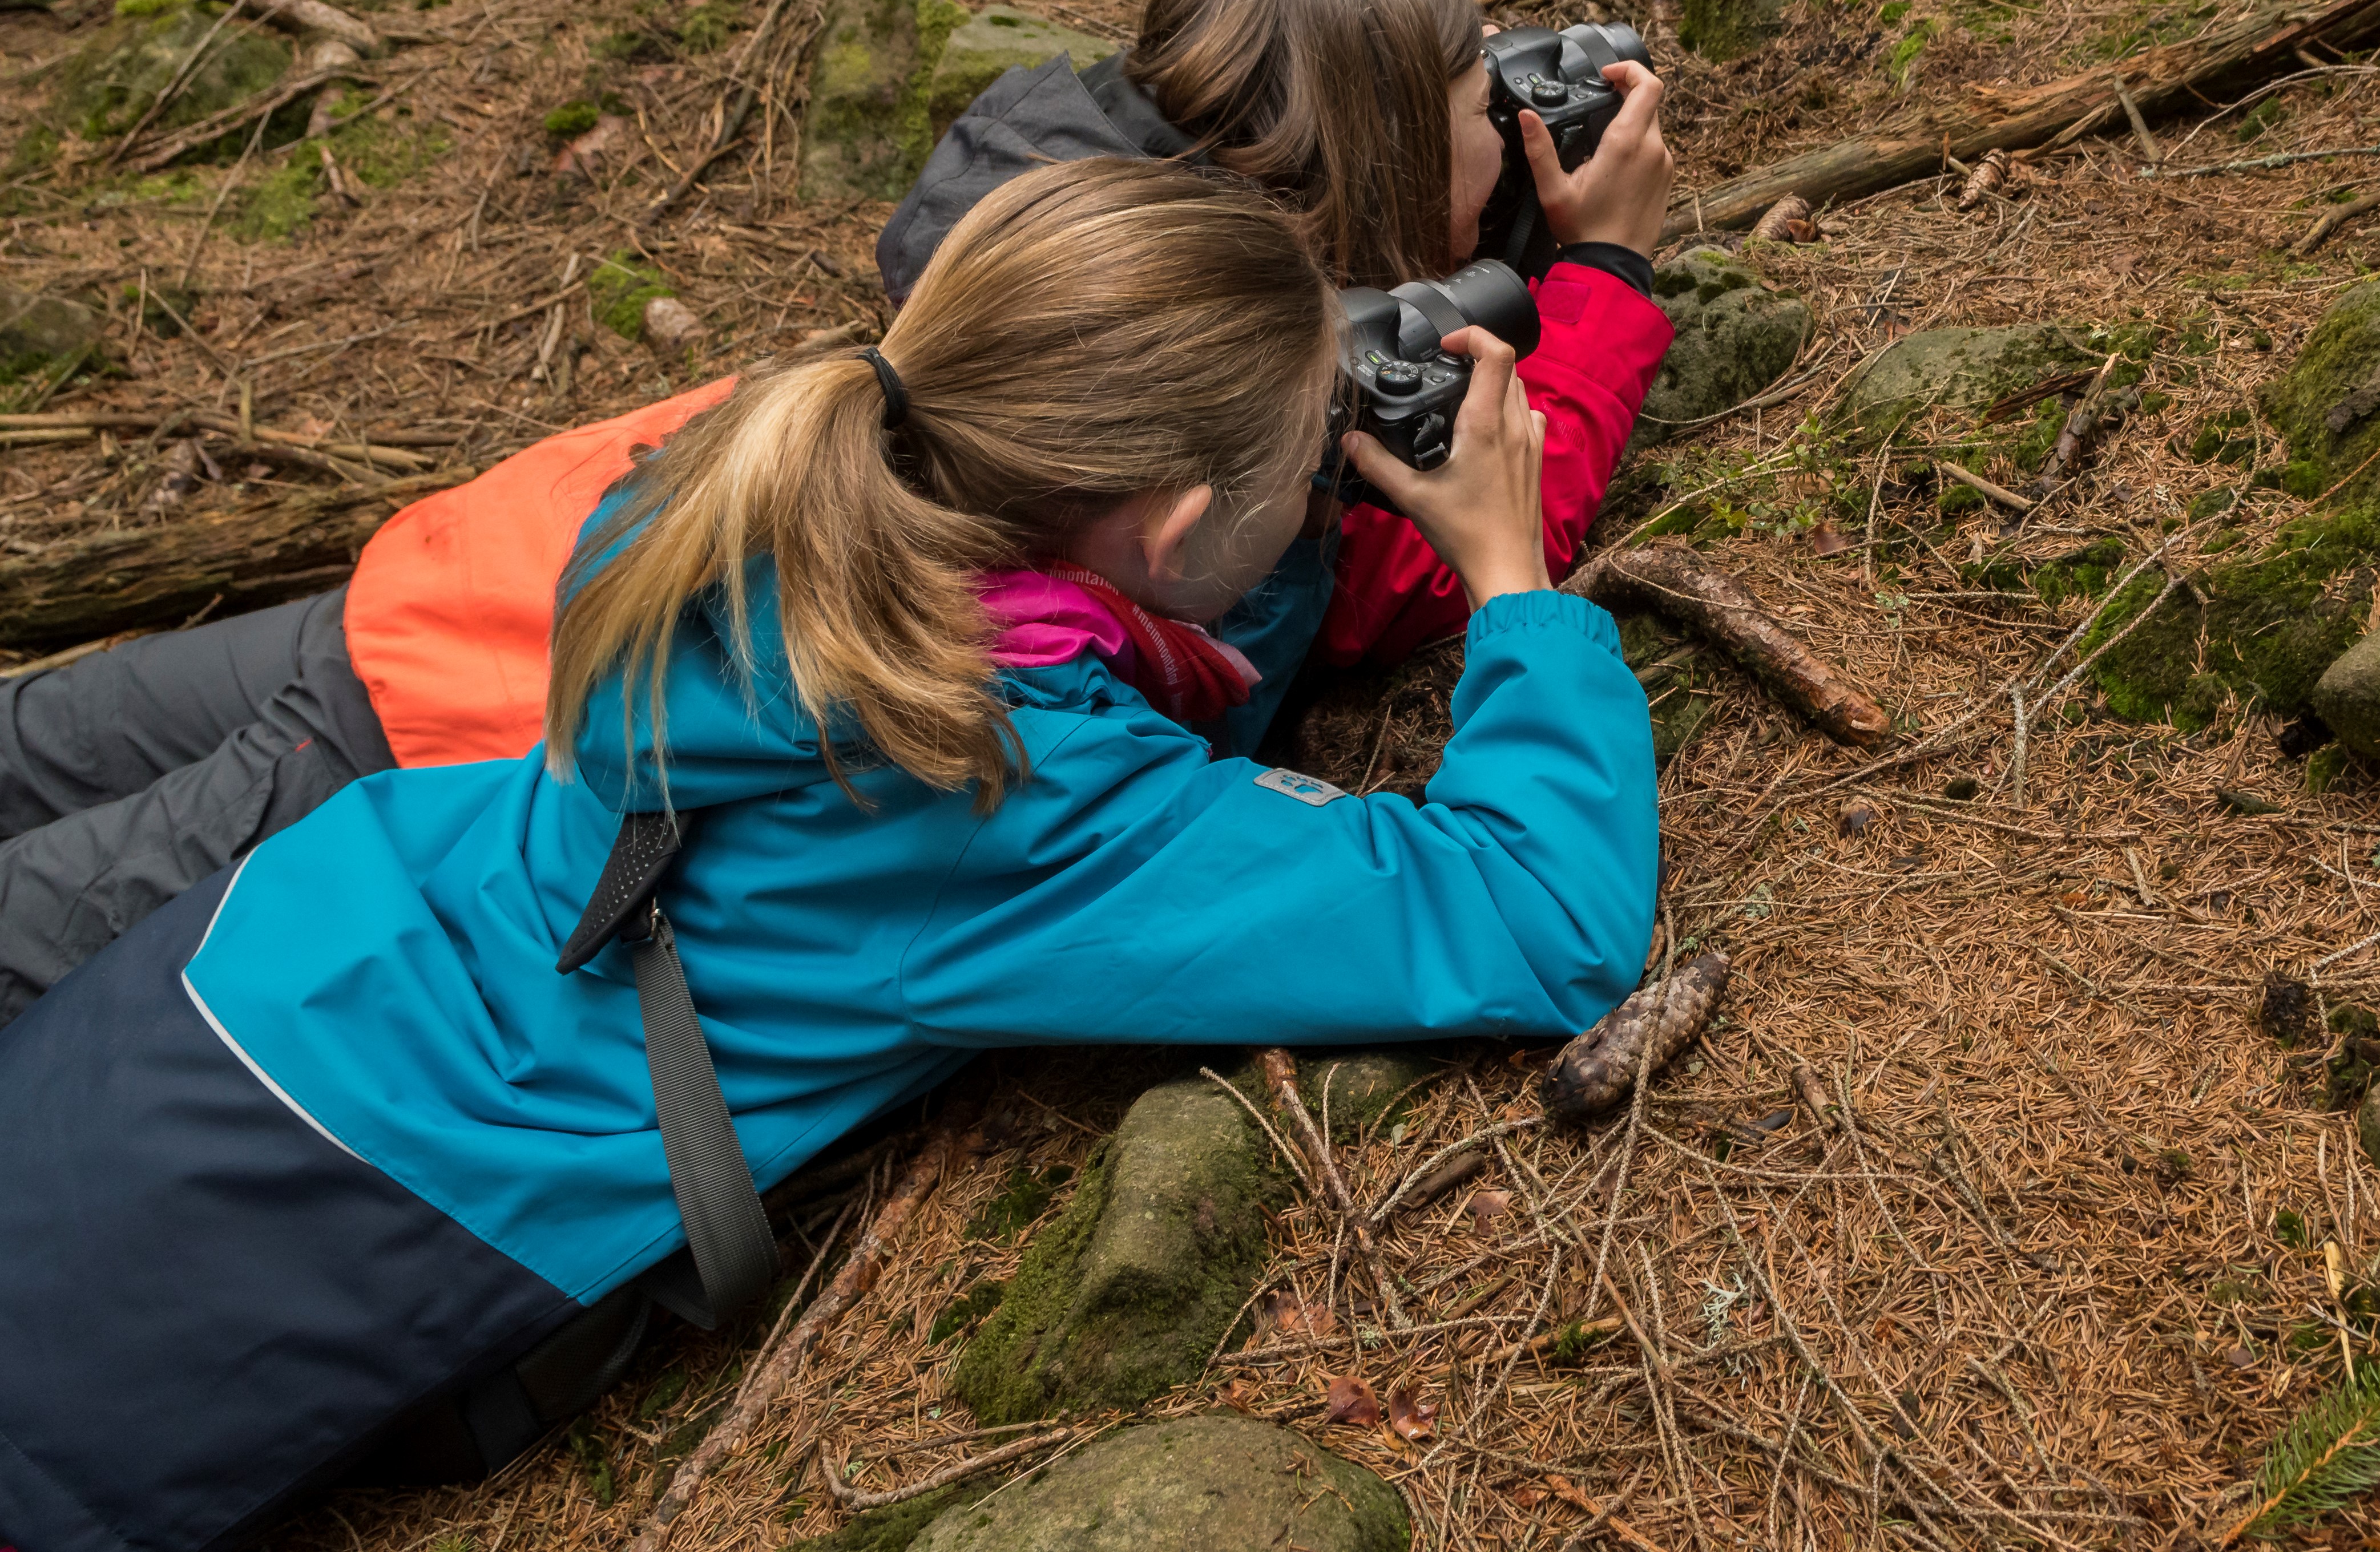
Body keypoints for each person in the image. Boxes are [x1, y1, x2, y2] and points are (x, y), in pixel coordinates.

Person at [0, 160, 1661, 1548]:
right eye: (1309, 473)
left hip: (234, 977)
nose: (1323, 499)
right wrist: (1514, 585)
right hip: (325, 1204)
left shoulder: (747, 494)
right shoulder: (1006, 785)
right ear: (1166, 532)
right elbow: (1536, 915)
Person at [0, 0, 1677, 1024]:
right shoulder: (1207, 414)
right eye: (1481, 103)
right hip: (471, 726)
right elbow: (1393, 585)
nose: (1512, 124)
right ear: (1380, 154)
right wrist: (1596, 284)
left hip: (501, 557)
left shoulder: (1061, 220)